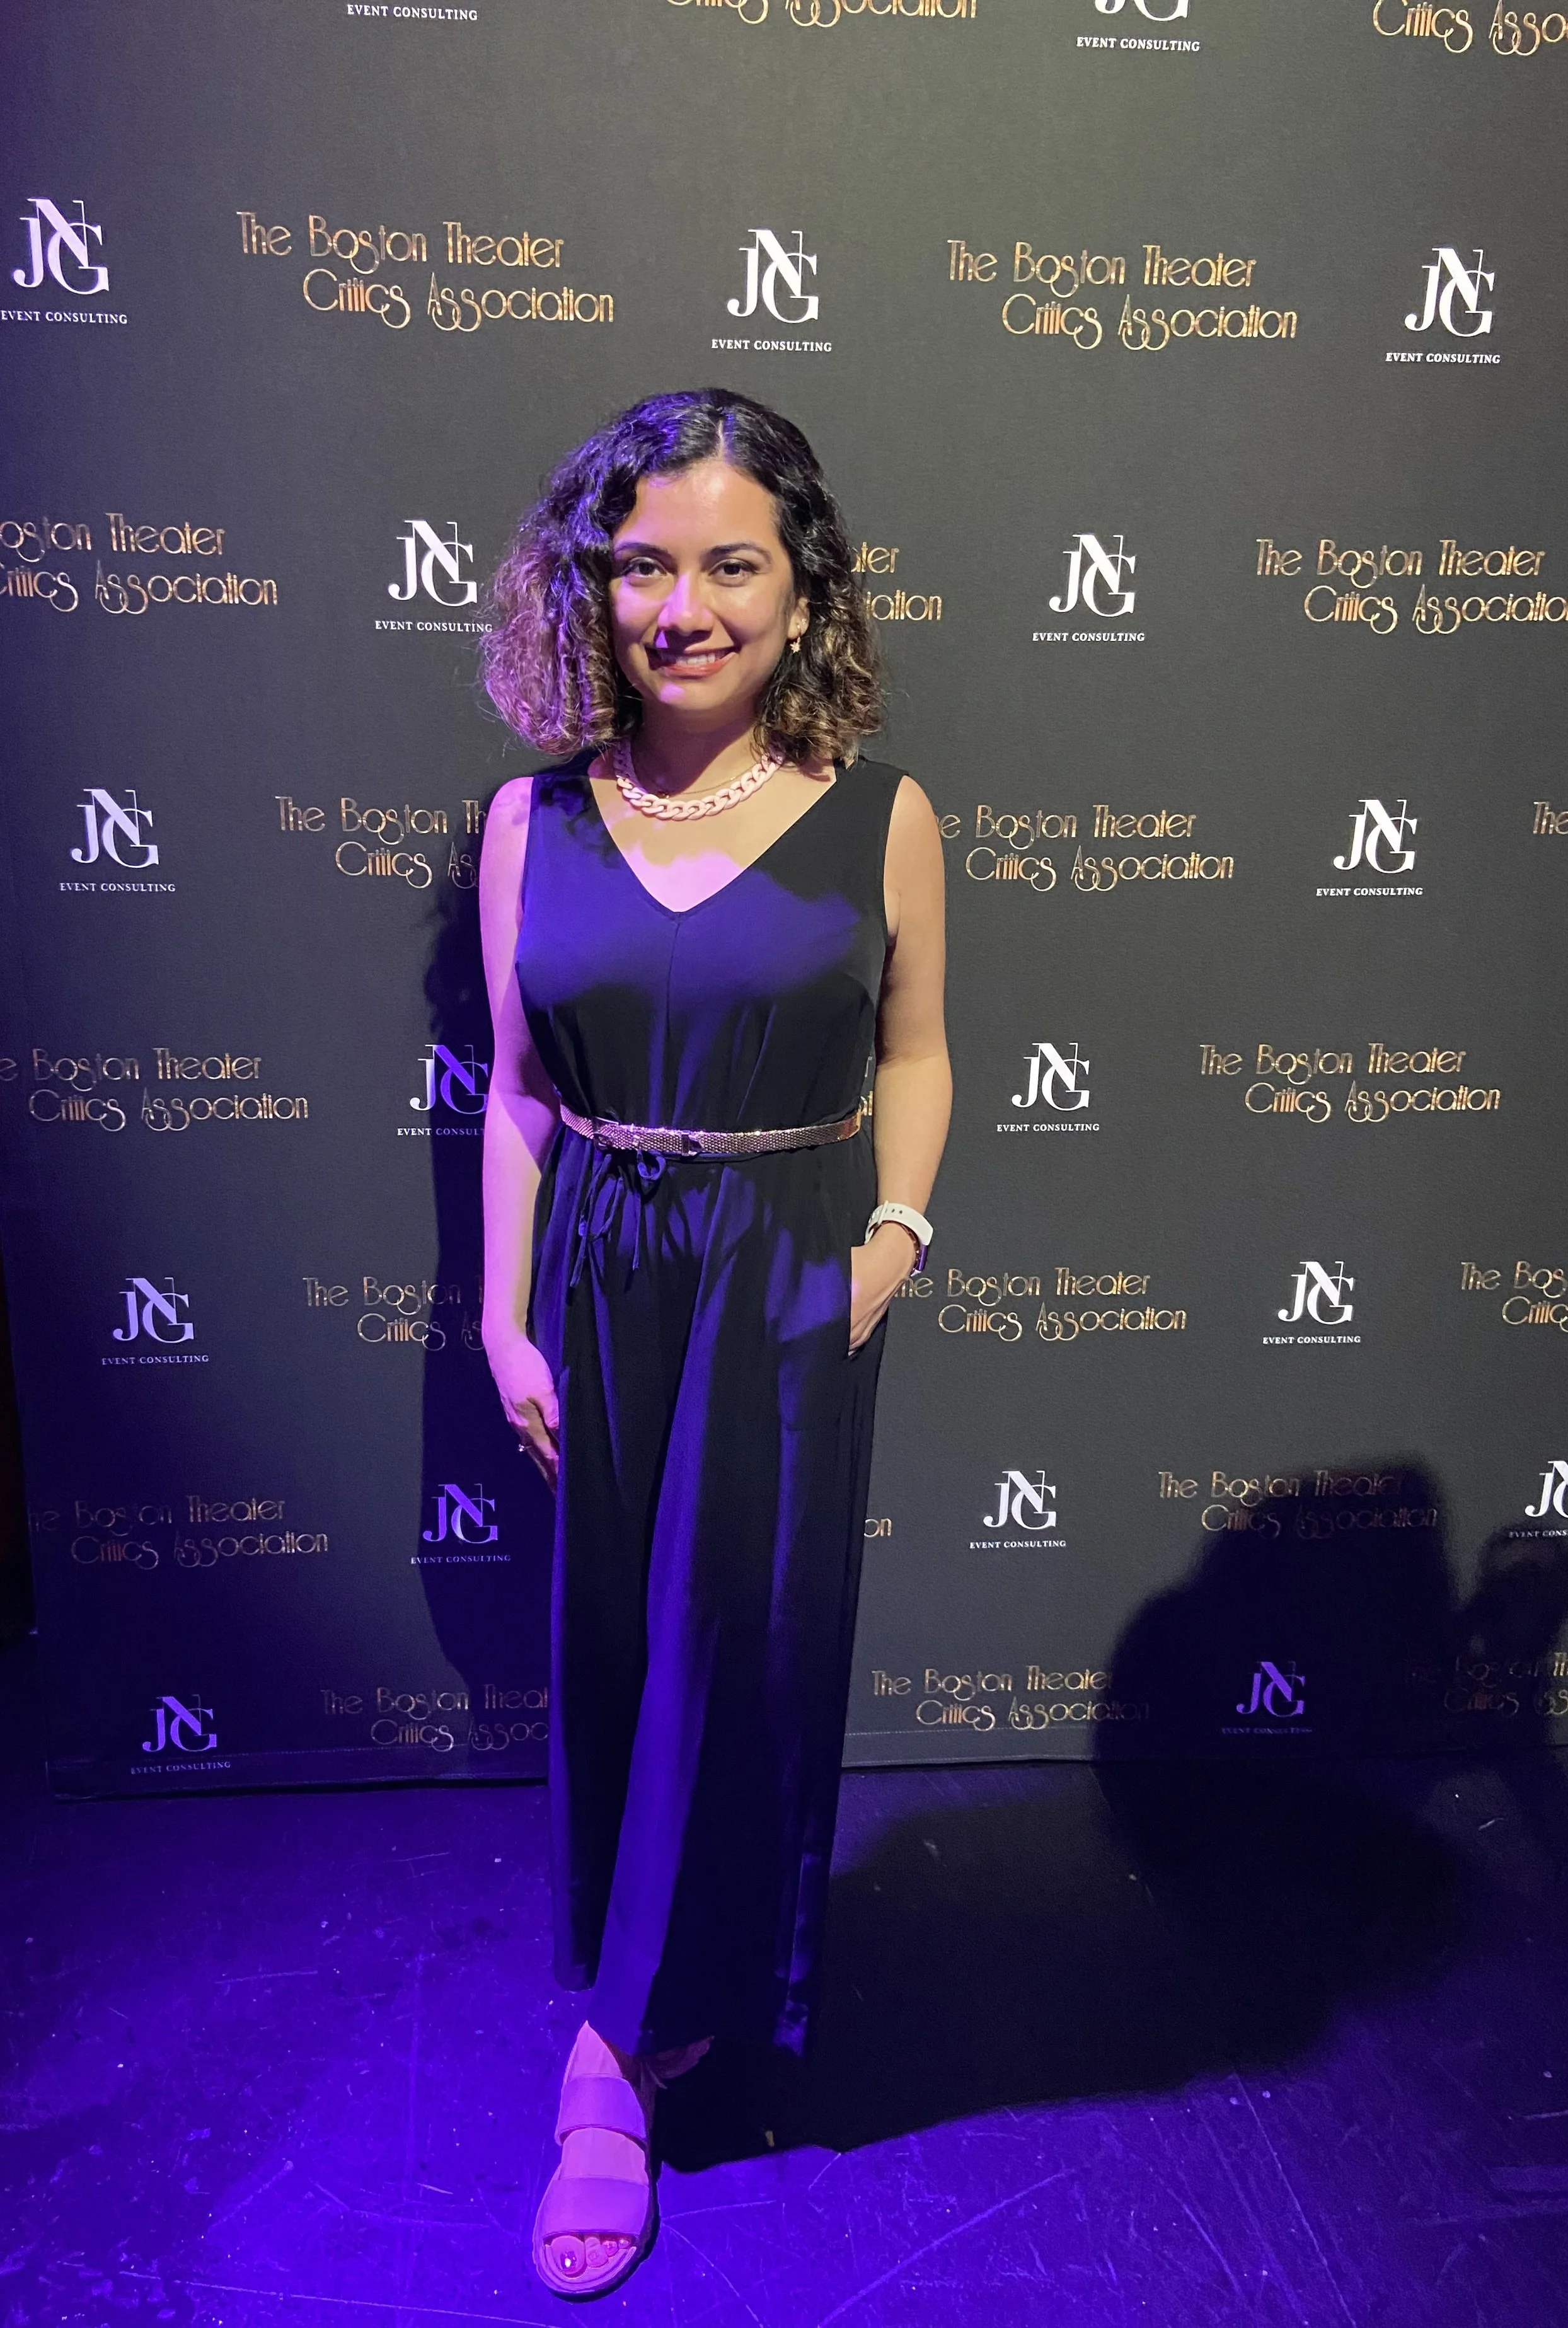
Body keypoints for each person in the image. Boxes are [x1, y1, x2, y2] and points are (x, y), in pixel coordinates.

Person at [476, 388, 950, 2296]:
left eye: (727, 561)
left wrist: (895, 1240)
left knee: (737, 1638)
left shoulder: (883, 814)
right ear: (590, 589)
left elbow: (913, 1055)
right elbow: (515, 1094)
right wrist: (506, 1313)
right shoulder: (531, 819)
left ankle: (670, 2008)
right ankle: (617, 2045)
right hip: (597, 1262)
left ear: (800, 586)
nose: (683, 604)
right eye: (641, 563)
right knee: (619, 1644)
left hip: (784, 1262)